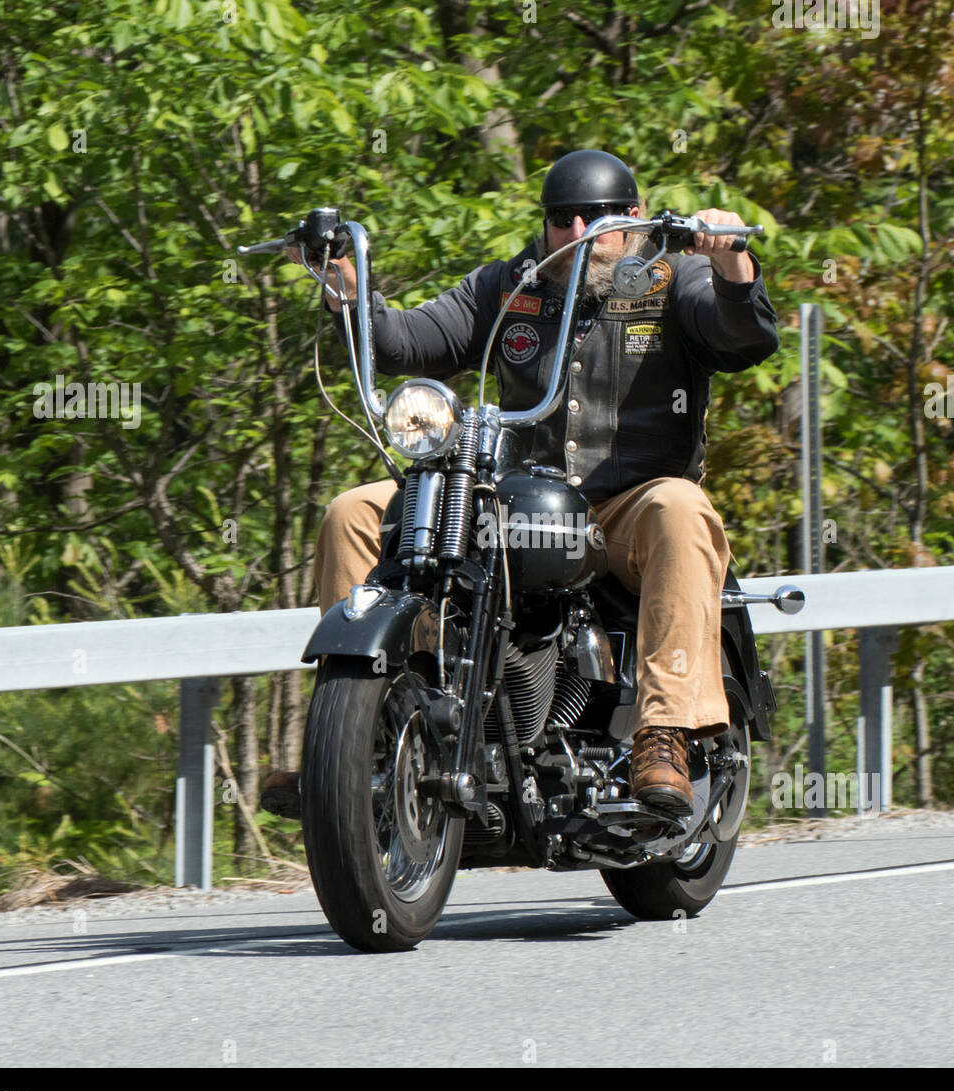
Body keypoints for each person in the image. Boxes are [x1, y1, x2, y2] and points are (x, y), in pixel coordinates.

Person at [262, 149, 779, 820]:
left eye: (593, 218)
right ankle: (372, 733)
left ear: (634, 218)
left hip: (625, 510)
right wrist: (348, 291)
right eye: (560, 218)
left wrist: (732, 263)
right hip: (514, 507)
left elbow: (744, 337)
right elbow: (404, 342)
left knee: (682, 506)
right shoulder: (509, 286)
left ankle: (664, 733)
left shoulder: (673, 281)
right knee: (353, 514)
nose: (574, 232)